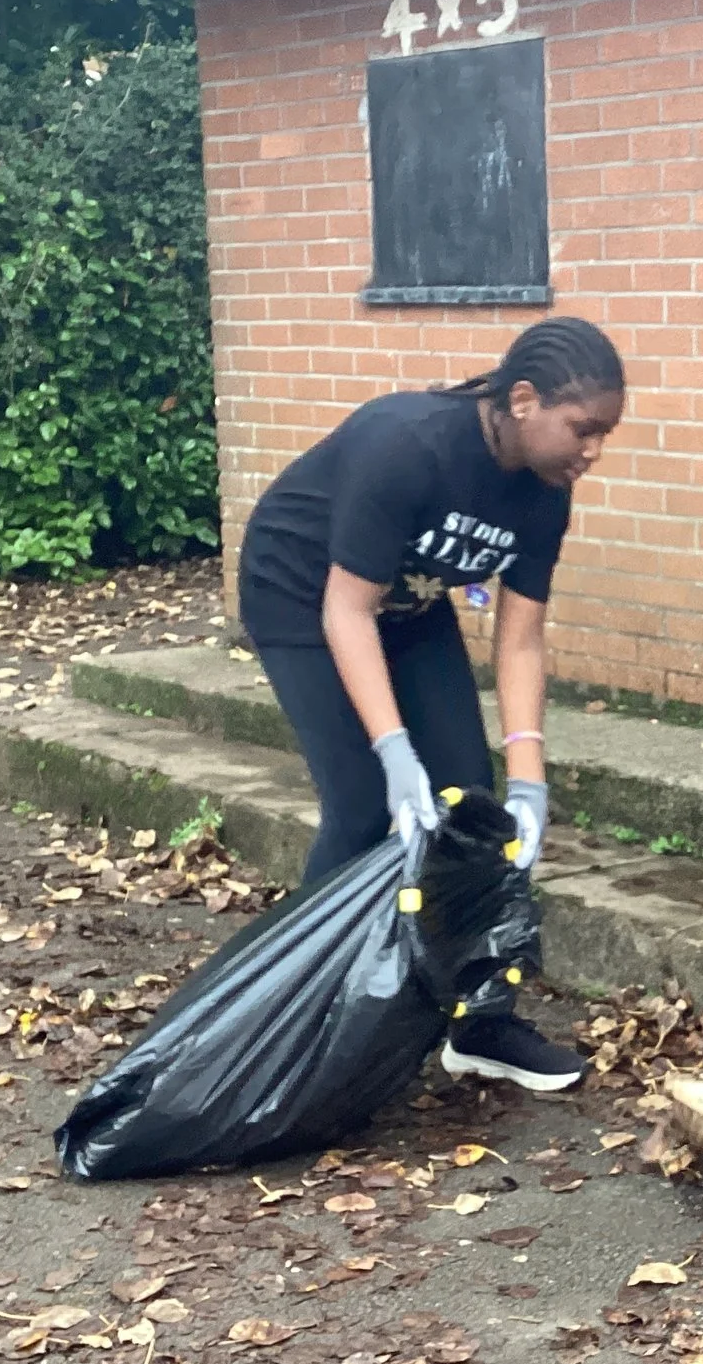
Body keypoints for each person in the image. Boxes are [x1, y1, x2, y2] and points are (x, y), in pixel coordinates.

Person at [235, 316, 625, 1094]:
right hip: (301, 594)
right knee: (359, 807)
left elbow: (519, 639)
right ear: (523, 400)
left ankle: (482, 1021)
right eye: (583, 428)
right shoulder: (409, 444)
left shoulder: (545, 495)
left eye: (606, 433)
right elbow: (346, 610)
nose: (594, 450)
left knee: (471, 805)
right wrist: (391, 751)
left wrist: (528, 778)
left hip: (409, 608)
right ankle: (284, 1020)